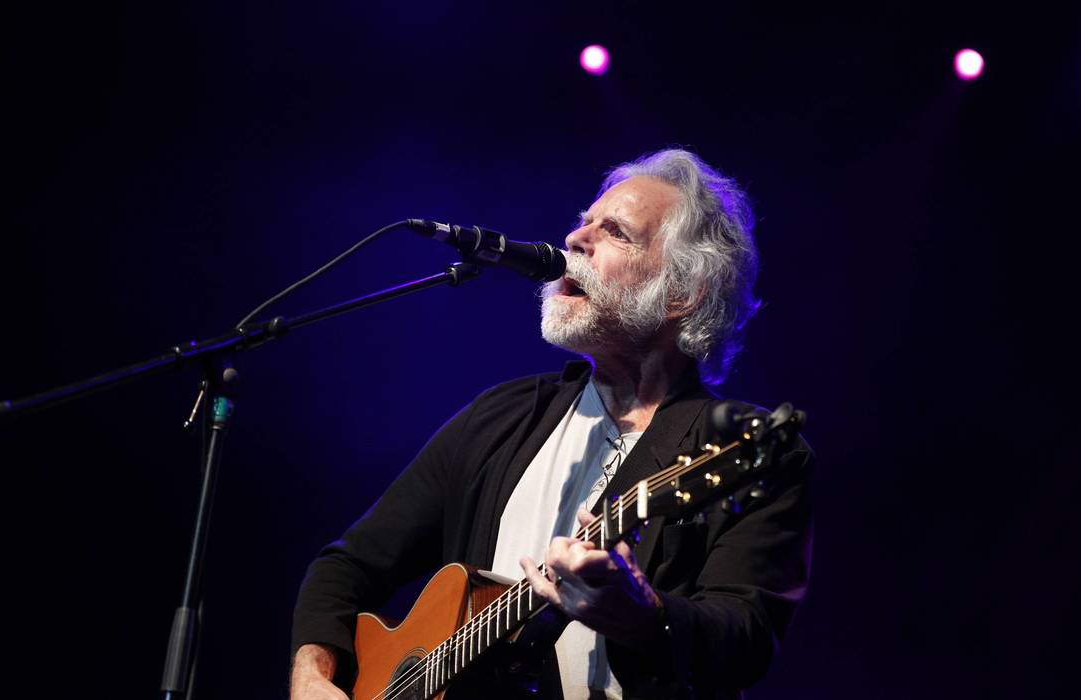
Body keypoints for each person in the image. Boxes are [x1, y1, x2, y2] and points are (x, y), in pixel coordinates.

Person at [289, 149, 814, 700]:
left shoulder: (742, 448)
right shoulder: (499, 418)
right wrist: (311, 673)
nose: (576, 241)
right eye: (582, 222)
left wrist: (641, 617)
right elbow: (346, 569)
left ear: (682, 294)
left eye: (615, 232)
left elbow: (745, 640)